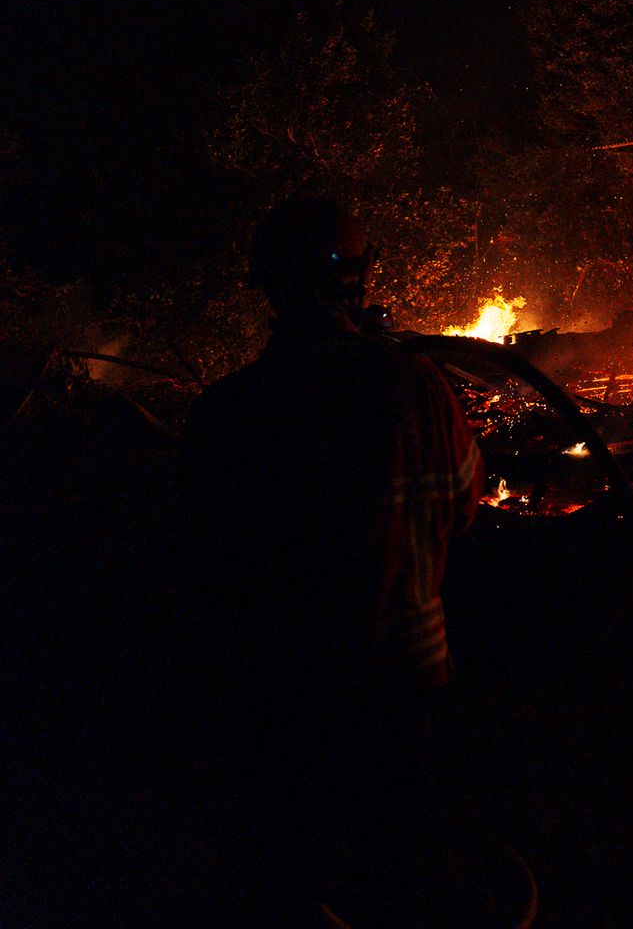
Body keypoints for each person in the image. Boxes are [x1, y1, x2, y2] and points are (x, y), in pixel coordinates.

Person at [179, 197, 482, 927]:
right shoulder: (420, 388)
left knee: (284, 875)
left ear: (269, 288)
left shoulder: (229, 412)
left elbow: (202, 559)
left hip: (281, 686)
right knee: (395, 869)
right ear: (360, 281)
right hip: (402, 681)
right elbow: (462, 506)